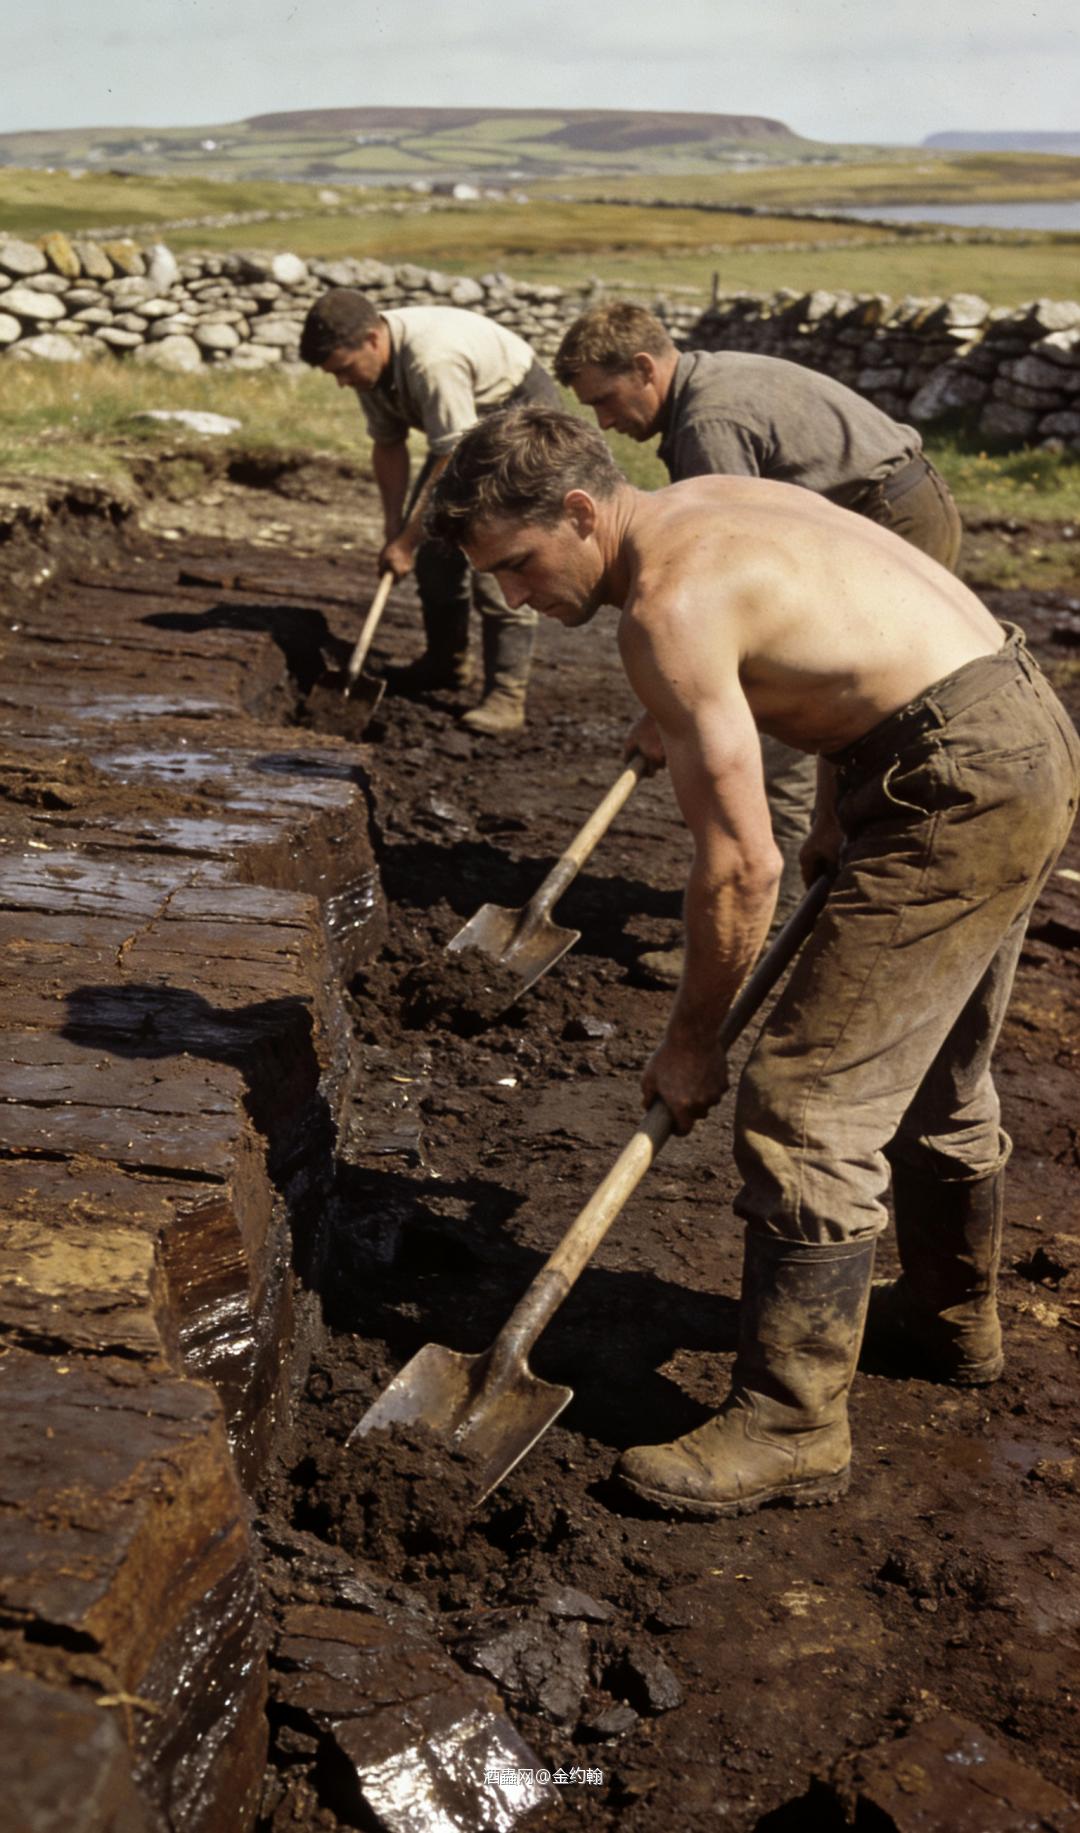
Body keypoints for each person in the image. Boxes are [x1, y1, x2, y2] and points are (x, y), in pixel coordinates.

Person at [427, 405, 1079, 1520]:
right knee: (933, 1073)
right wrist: (841, 799)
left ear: (582, 511)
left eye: (521, 566)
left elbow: (738, 871)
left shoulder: (668, 610)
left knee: (806, 1102)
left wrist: (689, 1043)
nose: (514, 599)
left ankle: (791, 1422)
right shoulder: (712, 506)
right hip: (1013, 731)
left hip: (950, 786)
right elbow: (848, 646)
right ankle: (951, 1320)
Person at [555, 303, 964, 975]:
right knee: (802, 708)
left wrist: (674, 704)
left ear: (643, 368)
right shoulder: (705, 388)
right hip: (874, 513)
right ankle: (817, 882)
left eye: (604, 399)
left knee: (778, 719)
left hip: (890, 516)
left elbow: (717, 574)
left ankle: (762, 925)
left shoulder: (709, 422)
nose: (604, 421)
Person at [299, 289, 560, 733]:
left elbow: (454, 454)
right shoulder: (371, 371)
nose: (342, 382)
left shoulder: (430, 360)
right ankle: (446, 662)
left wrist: (406, 540)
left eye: (343, 369)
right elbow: (388, 445)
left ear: (372, 340)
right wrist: (394, 530)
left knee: (496, 552)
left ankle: (505, 695)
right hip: (462, 436)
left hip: (519, 417)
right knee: (432, 545)